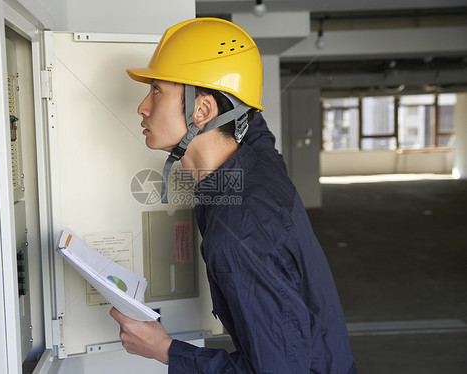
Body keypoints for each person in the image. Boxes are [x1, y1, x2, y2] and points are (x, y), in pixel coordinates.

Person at [110, 18, 357, 373]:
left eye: (157, 91)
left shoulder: (238, 234)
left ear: (203, 110)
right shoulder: (256, 162)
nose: (142, 107)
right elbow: (252, 123)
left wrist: (164, 349)